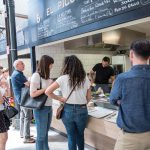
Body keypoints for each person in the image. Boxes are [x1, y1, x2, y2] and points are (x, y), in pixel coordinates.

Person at [110, 39, 150, 150]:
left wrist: (125, 102)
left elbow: (113, 100)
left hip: (130, 139)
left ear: (131, 54)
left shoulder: (122, 78)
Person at [45, 55, 91, 150]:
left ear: (66, 65)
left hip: (67, 110)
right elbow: (89, 98)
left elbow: (47, 91)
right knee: (80, 135)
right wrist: (81, 101)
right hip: (82, 110)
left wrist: (59, 98)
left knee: (71, 136)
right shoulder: (85, 78)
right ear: (79, 65)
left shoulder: (62, 78)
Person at [30, 55, 54, 150]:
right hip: (41, 108)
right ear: (47, 64)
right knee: (41, 136)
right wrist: (47, 88)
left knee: (45, 134)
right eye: (51, 64)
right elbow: (32, 94)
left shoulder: (48, 77)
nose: (52, 66)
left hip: (49, 107)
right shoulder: (36, 76)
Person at [11, 59, 35, 143]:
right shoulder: (18, 74)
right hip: (23, 98)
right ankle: (27, 137)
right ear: (17, 66)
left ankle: (23, 133)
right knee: (27, 117)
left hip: (20, 98)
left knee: (22, 116)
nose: (24, 65)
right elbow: (28, 84)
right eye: (22, 64)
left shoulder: (17, 73)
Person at [0, 85, 10, 150]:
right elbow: (1, 100)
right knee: (4, 137)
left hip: (2, 111)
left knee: (3, 137)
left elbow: (8, 94)